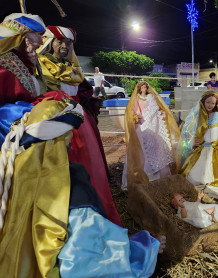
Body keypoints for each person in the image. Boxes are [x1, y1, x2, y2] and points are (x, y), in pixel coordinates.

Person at [0, 99, 165, 277]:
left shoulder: (8, 173)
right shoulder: (70, 187)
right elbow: (92, 262)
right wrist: (145, 246)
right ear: (61, 142)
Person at [36, 26, 120, 226]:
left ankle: (91, 209)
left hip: (81, 125)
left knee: (87, 166)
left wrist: (92, 101)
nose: (64, 46)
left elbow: (82, 93)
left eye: (68, 43)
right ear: (50, 43)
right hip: (55, 122)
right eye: (59, 41)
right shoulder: (40, 65)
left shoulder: (74, 69)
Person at [122, 81, 182, 189]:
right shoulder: (137, 99)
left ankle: (161, 176)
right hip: (143, 126)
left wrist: (161, 114)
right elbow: (133, 113)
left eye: (145, 87)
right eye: (142, 87)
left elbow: (158, 109)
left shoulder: (152, 97)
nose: (144, 89)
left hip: (155, 125)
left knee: (158, 148)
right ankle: (144, 176)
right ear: (139, 89)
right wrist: (136, 117)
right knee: (143, 150)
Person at [0, 13, 45, 103]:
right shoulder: (4, 70)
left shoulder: (22, 63)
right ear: (21, 37)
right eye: (37, 34)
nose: (41, 42)